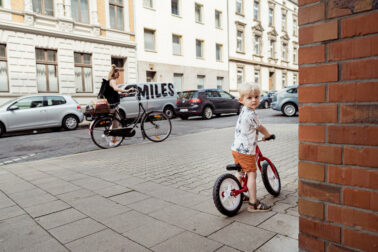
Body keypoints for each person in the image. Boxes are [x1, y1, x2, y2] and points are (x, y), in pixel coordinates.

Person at [231, 83, 273, 212]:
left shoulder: (244, 110)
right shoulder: (251, 115)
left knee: (240, 171)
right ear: (241, 100)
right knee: (252, 175)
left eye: (256, 96)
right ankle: (253, 203)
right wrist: (268, 135)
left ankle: (239, 193)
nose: (254, 100)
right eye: (249, 98)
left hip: (236, 149)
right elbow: (260, 128)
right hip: (246, 151)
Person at [106, 64, 134, 145]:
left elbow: (114, 93)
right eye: (118, 73)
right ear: (114, 73)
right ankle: (111, 140)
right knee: (116, 123)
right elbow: (116, 89)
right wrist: (127, 90)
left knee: (115, 122)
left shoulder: (110, 81)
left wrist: (123, 95)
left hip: (112, 104)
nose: (119, 74)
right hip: (113, 105)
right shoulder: (113, 81)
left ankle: (109, 136)